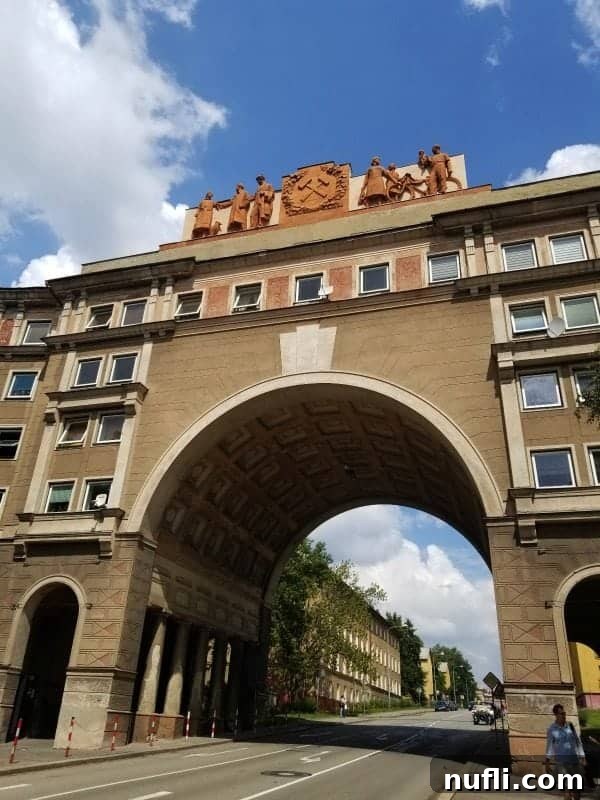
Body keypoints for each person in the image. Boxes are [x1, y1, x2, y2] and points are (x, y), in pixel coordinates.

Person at [545, 704, 586, 800]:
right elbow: (550, 746)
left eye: (564, 713)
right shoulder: (552, 729)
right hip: (562, 763)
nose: (564, 715)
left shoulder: (570, 725)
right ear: (556, 715)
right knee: (567, 790)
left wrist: (583, 757)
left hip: (574, 760)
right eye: (561, 713)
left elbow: (577, 741)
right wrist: (547, 762)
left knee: (577, 790)